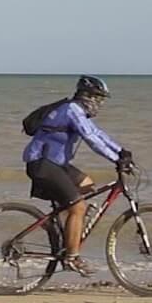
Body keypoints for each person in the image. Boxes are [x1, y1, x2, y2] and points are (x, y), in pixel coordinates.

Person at [21, 75, 134, 276]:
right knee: (78, 206)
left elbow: (98, 134)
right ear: (87, 96)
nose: (100, 103)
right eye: (98, 98)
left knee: (88, 185)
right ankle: (71, 257)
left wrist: (121, 151)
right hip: (42, 165)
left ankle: (67, 233)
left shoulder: (78, 111)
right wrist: (115, 160)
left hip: (57, 164)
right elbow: (90, 139)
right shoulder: (72, 110)